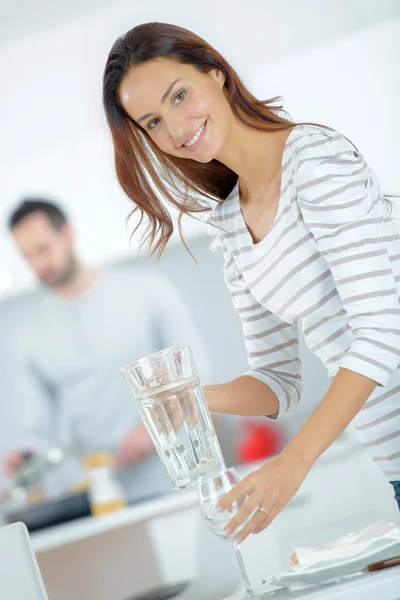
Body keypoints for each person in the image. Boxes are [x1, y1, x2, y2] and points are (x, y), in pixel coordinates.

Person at [101, 21, 400, 534]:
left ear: (216, 74)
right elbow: (277, 383)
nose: (174, 129)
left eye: (179, 95)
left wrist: (293, 462)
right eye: (152, 121)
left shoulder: (314, 159)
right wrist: (187, 396)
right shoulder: (230, 224)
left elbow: (384, 330)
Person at [4, 198, 209, 502]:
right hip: (99, 492)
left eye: (43, 249)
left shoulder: (146, 290)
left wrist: (153, 427)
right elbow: (37, 426)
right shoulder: (30, 334)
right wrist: (26, 455)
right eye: (27, 257)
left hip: (173, 475)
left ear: (68, 234)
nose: (38, 266)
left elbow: (197, 373)